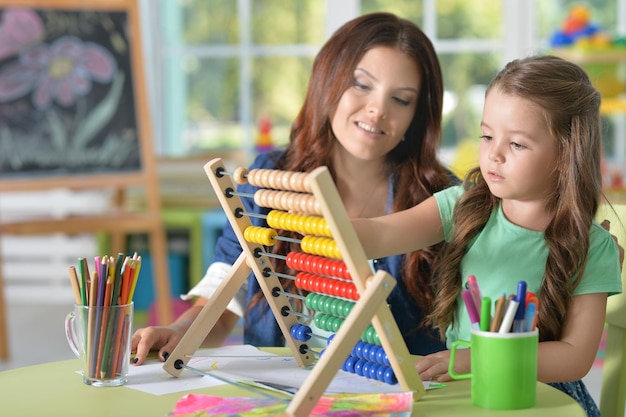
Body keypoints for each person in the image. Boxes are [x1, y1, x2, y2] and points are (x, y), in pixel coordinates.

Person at [131, 12, 458, 364]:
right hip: (288, 394)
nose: (378, 109)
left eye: (401, 99)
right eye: (362, 84)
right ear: (328, 83)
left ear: (416, 116)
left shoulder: (440, 199)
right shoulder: (268, 177)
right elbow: (227, 293)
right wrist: (182, 331)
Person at [352, 55, 622, 416]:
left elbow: (574, 357)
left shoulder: (592, 247)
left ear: (565, 154)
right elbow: (379, 234)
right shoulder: (461, 205)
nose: (493, 155)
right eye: (487, 135)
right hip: (463, 388)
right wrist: (308, 218)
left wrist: (471, 360)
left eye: (517, 144)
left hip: (538, 396)